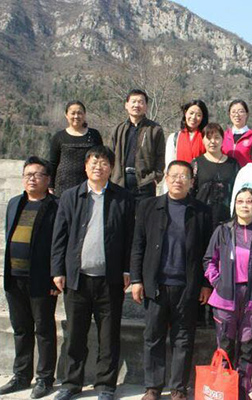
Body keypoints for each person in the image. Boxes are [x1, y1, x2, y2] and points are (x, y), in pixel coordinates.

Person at [51, 146, 135, 400]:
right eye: (94, 162)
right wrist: (57, 270)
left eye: (104, 163)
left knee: (108, 336)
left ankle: (105, 385)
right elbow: (60, 236)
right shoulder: (71, 196)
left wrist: (127, 269)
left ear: (111, 168)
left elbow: (130, 238)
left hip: (110, 280)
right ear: (85, 166)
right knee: (75, 334)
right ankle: (71, 383)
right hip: (77, 279)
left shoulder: (123, 198)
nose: (98, 167)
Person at [130, 160, 213, 400]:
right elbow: (138, 245)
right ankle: (153, 387)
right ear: (166, 178)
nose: (178, 180)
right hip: (156, 284)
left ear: (191, 182)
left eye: (183, 176)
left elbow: (208, 251)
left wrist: (206, 284)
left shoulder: (201, 211)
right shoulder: (148, 206)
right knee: (153, 336)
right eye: (174, 175)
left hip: (187, 286)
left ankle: (178, 388)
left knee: (183, 338)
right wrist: (136, 279)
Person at [204, 188, 252, 400]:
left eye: (249, 201)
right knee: (225, 348)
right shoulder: (223, 231)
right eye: (240, 201)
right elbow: (209, 260)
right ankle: (225, 392)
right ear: (234, 205)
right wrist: (217, 282)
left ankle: (242, 392)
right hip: (226, 298)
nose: (244, 205)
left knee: (247, 349)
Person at [0, 157, 58, 399]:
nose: (31, 179)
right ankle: (21, 375)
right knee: (21, 328)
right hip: (14, 277)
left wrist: (55, 277)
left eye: (37, 174)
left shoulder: (55, 206)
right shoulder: (15, 203)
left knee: (44, 329)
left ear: (48, 179)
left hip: (41, 279)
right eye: (27, 174)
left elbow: (59, 245)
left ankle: (44, 378)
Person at [111, 89, 165, 202]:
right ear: (126, 105)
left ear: (146, 106)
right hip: (120, 184)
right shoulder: (118, 129)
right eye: (133, 101)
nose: (136, 105)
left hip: (144, 185)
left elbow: (161, 157)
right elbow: (110, 155)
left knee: (144, 213)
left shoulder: (154, 129)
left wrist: (155, 178)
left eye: (140, 102)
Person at [191, 123, 240, 229]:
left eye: (217, 138)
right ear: (203, 140)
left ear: (223, 140)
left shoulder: (233, 164)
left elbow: (238, 191)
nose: (213, 141)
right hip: (201, 218)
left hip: (227, 220)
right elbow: (191, 192)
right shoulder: (197, 163)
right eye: (208, 138)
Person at [49, 101, 103, 196]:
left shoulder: (94, 135)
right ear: (66, 115)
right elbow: (53, 163)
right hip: (63, 185)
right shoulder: (59, 137)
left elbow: (102, 159)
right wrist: (50, 186)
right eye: (73, 113)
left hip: (89, 183)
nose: (76, 116)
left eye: (79, 113)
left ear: (84, 115)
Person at [166, 99, 209, 165]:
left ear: (203, 118)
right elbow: (169, 165)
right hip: (180, 171)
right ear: (185, 113)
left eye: (198, 115)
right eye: (191, 113)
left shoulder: (207, 138)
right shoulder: (174, 138)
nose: (193, 117)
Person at [222, 99, 252, 167]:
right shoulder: (224, 136)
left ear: (246, 114)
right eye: (233, 112)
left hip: (247, 173)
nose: (237, 115)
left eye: (241, 111)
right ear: (229, 114)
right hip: (226, 173)